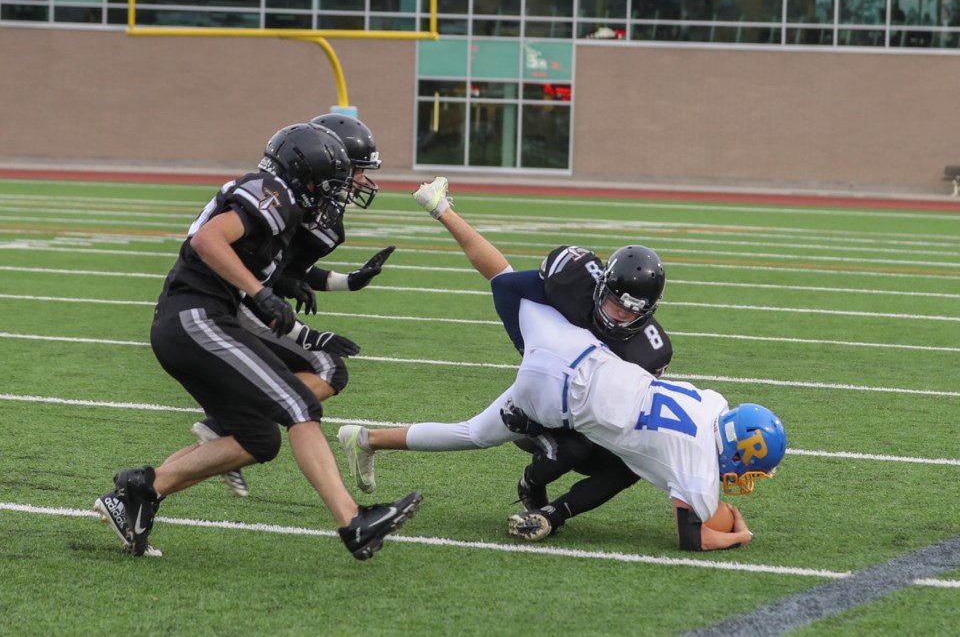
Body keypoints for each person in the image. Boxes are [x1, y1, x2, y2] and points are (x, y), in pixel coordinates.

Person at [94, 122, 421, 560]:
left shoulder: (287, 213)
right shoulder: (274, 192)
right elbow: (208, 239)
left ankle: (139, 492)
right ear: (307, 177)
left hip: (201, 322)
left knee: (259, 440)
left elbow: (271, 277)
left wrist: (307, 292)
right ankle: (353, 522)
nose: (339, 191)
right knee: (301, 406)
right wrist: (262, 293)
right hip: (195, 316)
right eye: (333, 182)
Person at [337, 178, 673, 522]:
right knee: (488, 435)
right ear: (601, 284)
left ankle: (365, 439)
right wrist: (531, 355)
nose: (621, 314)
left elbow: (628, 413)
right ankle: (370, 440)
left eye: (634, 310)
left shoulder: (650, 351)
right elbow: (505, 282)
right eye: (617, 303)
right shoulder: (575, 278)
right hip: (546, 379)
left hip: (583, 401)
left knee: (487, 435)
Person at [492, 280, 786, 550]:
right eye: (750, 469)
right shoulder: (698, 470)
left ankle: (550, 514)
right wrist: (739, 536)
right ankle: (530, 434)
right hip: (572, 412)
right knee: (567, 446)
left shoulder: (713, 403)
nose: (747, 477)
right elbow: (694, 539)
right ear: (735, 453)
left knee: (627, 468)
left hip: (597, 380)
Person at [191, 113, 395, 498]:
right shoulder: (279, 199)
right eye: (358, 171)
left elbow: (285, 272)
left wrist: (347, 282)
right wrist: (308, 334)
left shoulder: (320, 216)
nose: (365, 182)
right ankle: (225, 427)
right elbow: (257, 272)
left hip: (239, 296)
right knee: (323, 368)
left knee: (314, 372)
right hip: (221, 299)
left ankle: (225, 430)